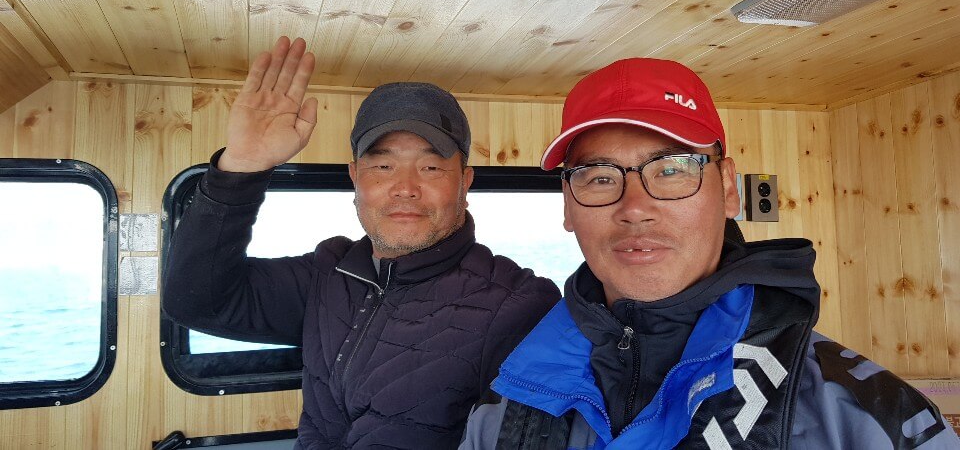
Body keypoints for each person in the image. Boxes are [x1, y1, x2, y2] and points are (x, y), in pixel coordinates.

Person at [459, 58, 960, 449]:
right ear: (568, 206)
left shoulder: (868, 416)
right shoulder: (510, 399)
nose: (635, 208)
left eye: (671, 169)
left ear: (727, 188)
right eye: (600, 178)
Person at [161, 36, 560, 449]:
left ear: (465, 181)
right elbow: (196, 301)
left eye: (430, 167)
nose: (405, 187)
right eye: (383, 165)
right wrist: (242, 168)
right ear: (354, 177)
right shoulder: (328, 271)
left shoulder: (519, 304)